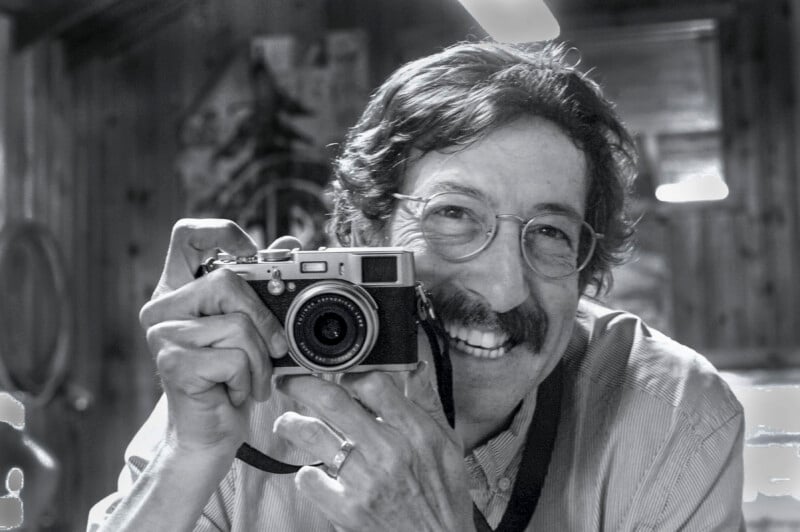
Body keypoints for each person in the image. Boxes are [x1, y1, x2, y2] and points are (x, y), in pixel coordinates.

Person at [87, 41, 744, 531]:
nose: (505, 288)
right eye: (454, 215)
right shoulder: (261, 376)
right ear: (361, 233)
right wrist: (187, 455)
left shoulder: (669, 422)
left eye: (549, 234)